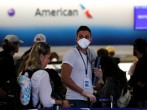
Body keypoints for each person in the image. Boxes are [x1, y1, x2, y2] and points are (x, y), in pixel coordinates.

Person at [61, 26, 102, 108]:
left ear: (90, 39)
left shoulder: (92, 56)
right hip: (74, 99)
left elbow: (93, 82)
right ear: (76, 38)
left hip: (88, 99)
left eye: (86, 37)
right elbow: (64, 78)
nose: (84, 39)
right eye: (81, 37)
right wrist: (83, 92)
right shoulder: (71, 54)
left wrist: (98, 76)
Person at [19, 42, 70, 108]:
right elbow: (46, 102)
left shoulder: (25, 72)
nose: (48, 61)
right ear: (41, 57)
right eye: (48, 58)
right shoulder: (42, 74)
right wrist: (62, 102)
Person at [0, 34, 23, 110]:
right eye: (17, 44)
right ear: (13, 45)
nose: (18, 46)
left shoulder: (6, 58)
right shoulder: (6, 60)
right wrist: (7, 96)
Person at [128, 38, 147, 108]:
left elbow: (136, 77)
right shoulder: (141, 61)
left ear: (136, 48)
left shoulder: (143, 61)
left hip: (142, 97)